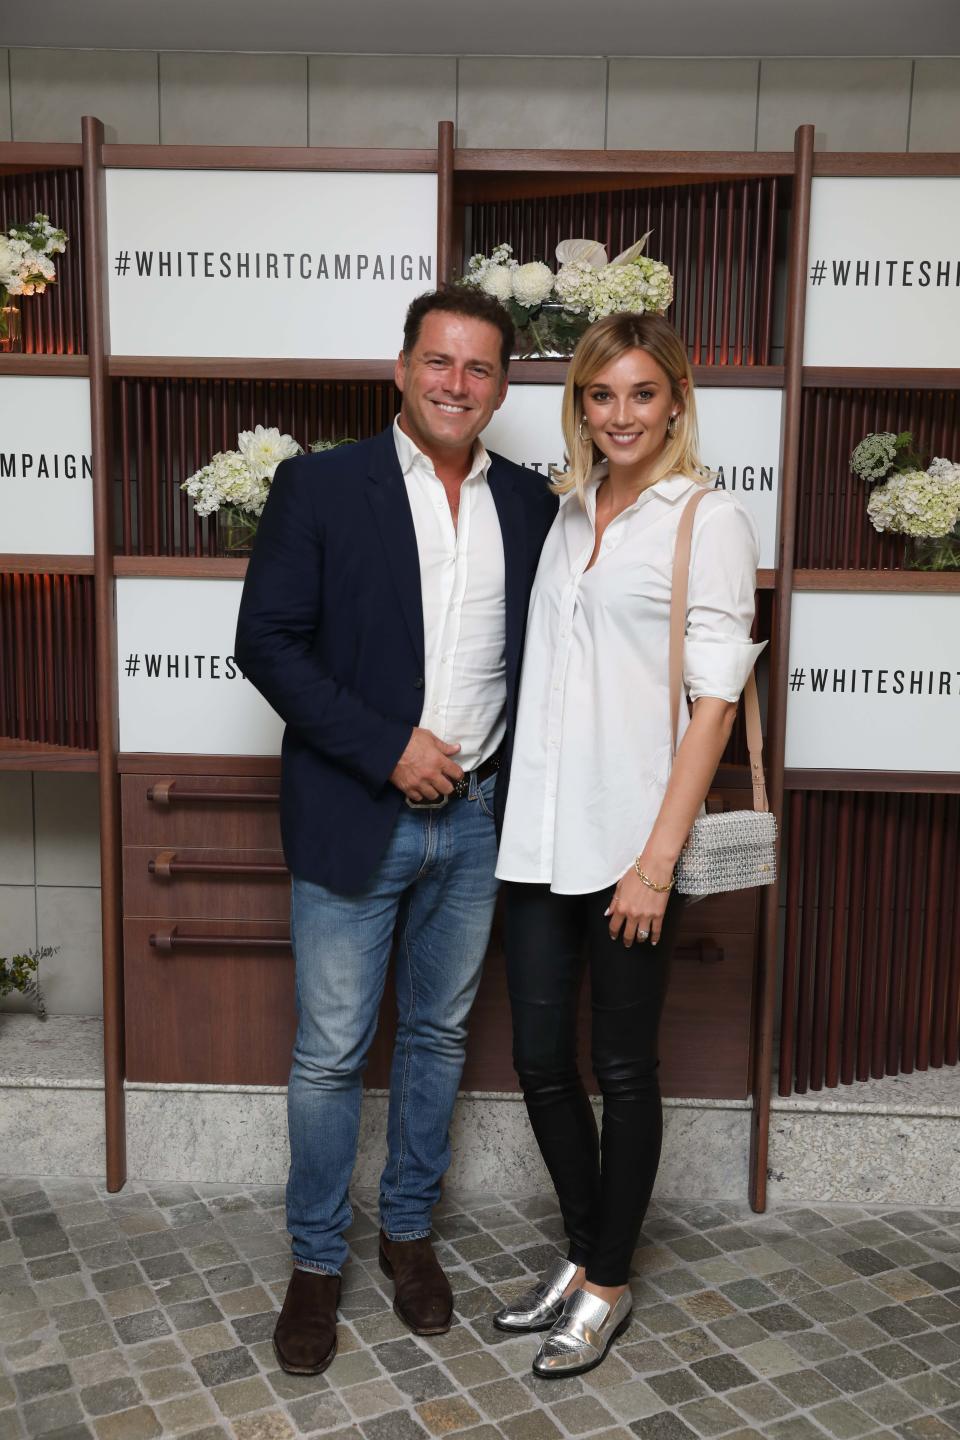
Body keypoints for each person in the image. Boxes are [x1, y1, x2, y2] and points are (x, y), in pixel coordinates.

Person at [234, 287, 556, 1376]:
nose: (455, 384)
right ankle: (316, 1261)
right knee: (329, 1054)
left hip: (476, 826)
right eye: (438, 361)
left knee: (437, 1039)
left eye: (478, 369)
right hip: (353, 812)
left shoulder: (531, 505)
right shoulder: (319, 485)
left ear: (503, 387)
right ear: (402, 368)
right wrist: (386, 747)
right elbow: (268, 644)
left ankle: (407, 1234)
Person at [492, 312, 764, 1377]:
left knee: (621, 1066)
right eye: (601, 395)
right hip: (539, 832)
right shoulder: (567, 517)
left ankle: (608, 1283)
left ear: (677, 401)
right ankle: (580, 1251)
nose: (621, 415)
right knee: (536, 1060)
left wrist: (656, 861)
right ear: (581, 406)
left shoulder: (707, 517)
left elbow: (715, 705)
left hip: (629, 842)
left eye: (641, 394)